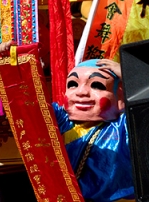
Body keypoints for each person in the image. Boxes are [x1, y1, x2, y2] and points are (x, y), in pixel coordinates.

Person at [53, 58, 134, 202]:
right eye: (73, 84)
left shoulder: (124, 127)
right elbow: (27, 102)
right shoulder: (60, 121)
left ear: (120, 97)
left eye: (96, 85)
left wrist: (129, 74)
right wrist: (11, 63)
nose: (82, 92)